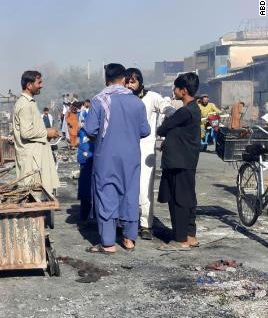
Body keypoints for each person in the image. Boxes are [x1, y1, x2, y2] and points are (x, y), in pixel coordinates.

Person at [84, 63, 150, 254]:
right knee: (130, 193)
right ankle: (129, 239)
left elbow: (90, 129)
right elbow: (145, 130)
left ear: (106, 79)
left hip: (106, 155)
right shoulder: (137, 102)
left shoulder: (99, 100)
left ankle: (108, 243)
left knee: (106, 193)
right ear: (124, 79)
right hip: (131, 156)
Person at [157, 73, 202, 251]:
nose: (174, 91)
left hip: (179, 162)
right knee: (189, 198)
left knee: (179, 200)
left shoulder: (184, 111)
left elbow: (162, 128)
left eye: (176, 88)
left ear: (183, 91)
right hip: (187, 161)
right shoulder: (194, 109)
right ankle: (190, 235)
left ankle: (180, 239)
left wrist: (167, 120)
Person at [126, 68, 171, 240]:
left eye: (133, 81)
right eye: (127, 82)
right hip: (126, 147)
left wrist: (173, 116)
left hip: (146, 148)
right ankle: (125, 221)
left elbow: (165, 107)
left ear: (140, 82)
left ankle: (145, 224)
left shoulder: (151, 97)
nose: (130, 85)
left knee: (145, 188)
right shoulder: (122, 99)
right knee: (126, 186)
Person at [12, 70, 60, 195]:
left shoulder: (29, 103)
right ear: (29, 85)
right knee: (33, 195)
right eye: (39, 82)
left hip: (34, 157)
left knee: (36, 194)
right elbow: (26, 133)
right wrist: (46, 133)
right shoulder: (25, 105)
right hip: (31, 160)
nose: (41, 85)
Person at [77, 104, 94, 226]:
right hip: (87, 167)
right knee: (86, 193)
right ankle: (84, 217)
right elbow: (81, 156)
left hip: (97, 166)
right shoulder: (84, 136)